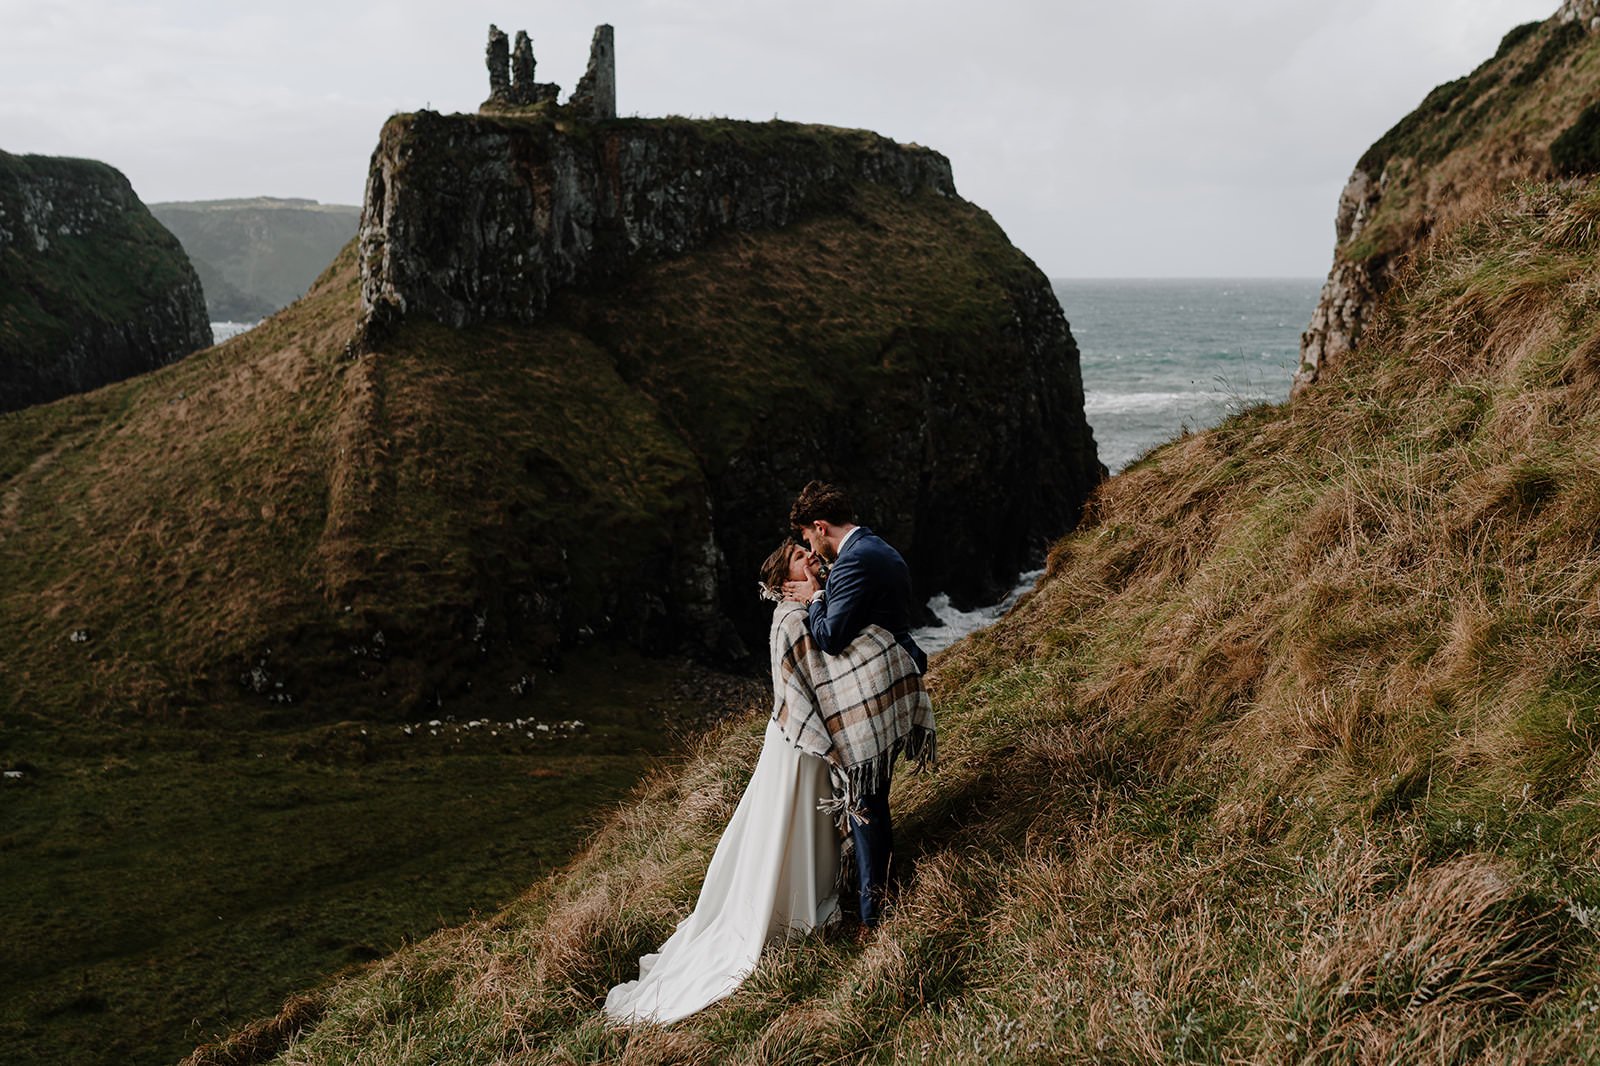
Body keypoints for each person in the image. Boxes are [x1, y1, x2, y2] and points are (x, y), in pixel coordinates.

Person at [604, 542, 842, 1025]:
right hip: (799, 742)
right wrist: (831, 745)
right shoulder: (793, 619)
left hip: (789, 740)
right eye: (800, 556)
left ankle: (806, 897)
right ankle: (797, 909)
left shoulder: (799, 609)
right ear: (783, 579)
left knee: (793, 824)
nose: (810, 556)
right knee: (790, 824)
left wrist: (819, 590)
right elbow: (811, 683)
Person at [781, 480, 930, 930]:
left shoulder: (854, 562)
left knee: (866, 803)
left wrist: (814, 598)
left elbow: (829, 636)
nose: (810, 547)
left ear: (820, 526)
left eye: (809, 537)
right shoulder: (873, 547)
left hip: (875, 692)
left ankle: (873, 915)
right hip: (889, 680)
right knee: (873, 800)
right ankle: (876, 897)